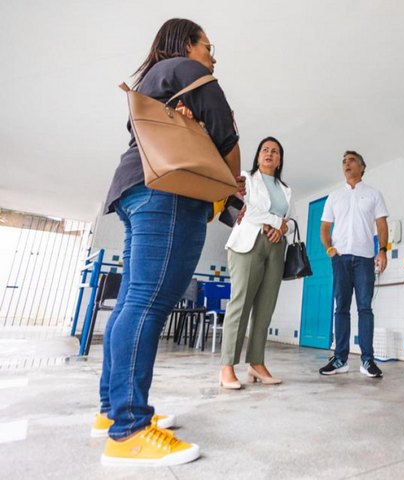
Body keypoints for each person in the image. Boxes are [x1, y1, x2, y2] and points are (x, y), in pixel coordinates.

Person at [95, 18, 242, 466]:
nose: (213, 56)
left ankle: (113, 409)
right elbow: (226, 136)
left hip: (136, 190)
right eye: (208, 46)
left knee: (132, 302)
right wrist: (232, 177)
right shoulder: (184, 69)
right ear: (186, 44)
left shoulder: (154, 79)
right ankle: (129, 431)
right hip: (170, 193)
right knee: (148, 302)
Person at [218, 137, 292, 389]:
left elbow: (287, 220)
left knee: (265, 307)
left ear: (280, 159)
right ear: (258, 155)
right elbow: (243, 208)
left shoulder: (286, 189)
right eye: (265, 150)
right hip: (248, 243)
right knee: (240, 304)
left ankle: (256, 364)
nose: (270, 153)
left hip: (275, 246)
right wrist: (275, 222)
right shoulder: (244, 178)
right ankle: (227, 367)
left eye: (275, 151)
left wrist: (282, 229)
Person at [319, 151, 389, 378]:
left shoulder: (373, 194)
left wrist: (383, 251)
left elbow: (381, 224)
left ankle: (367, 361)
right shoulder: (334, 196)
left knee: (365, 308)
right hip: (340, 258)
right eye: (344, 161)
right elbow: (324, 227)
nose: (346, 164)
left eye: (351, 160)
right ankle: (340, 359)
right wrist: (329, 249)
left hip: (365, 258)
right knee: (341, 308)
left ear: (362, 166)